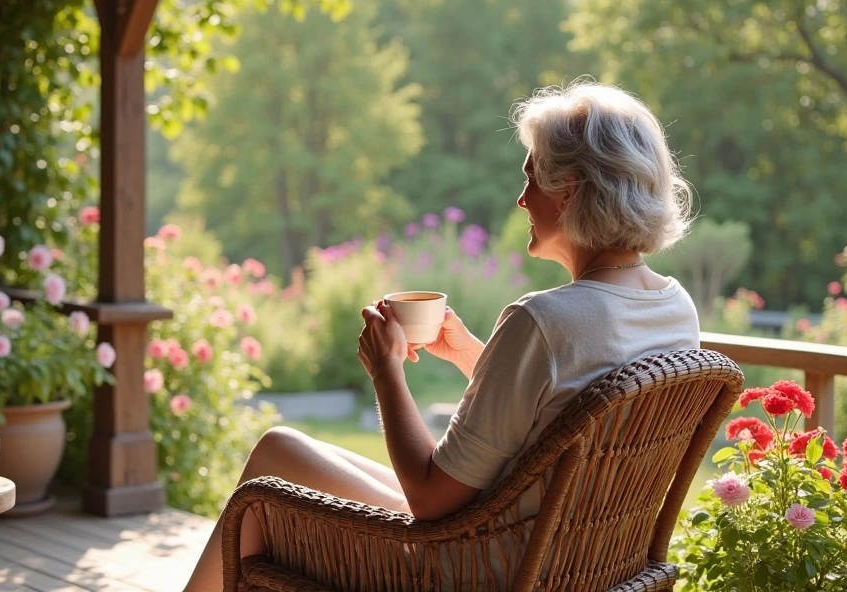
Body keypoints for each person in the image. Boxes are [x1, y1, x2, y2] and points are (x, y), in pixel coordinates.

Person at [182, 79, 699, 590]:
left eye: (531, 180)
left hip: (480, 569)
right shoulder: (677, 310)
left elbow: (430, 500)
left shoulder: (544, 320)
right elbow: (559, 419)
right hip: (572, 563)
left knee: (274, 458)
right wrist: (475, 354)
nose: (521, 201)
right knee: (289, 462)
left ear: (567, 192)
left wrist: (386, 370)